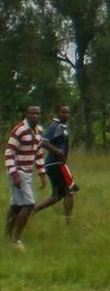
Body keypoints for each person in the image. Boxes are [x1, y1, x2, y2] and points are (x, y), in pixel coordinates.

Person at [5, 105, 47, 251]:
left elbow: (38, 152)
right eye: (32, 113)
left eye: (38, 113)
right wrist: (14, 174)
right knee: (29, 204)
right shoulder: (19, 130)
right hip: (18, 172)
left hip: (28, 172)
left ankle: (8, 237)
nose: (35, 116)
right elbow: (9, 152)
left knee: (16, 205)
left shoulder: (39, 130)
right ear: (26, 114)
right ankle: (16, 239)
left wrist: (42, 172)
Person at [33, 105, 78, 223]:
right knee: (69, 191)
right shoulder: (55, 126)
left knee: (56, 195)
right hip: (55, 163)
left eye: (68, 113)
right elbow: (43, 142)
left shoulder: (64, 127)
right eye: (63, 112)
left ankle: (32, 210)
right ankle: (68, 221)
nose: (66, 115)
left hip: (57, 163)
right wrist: (58, 152)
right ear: (58, 113)